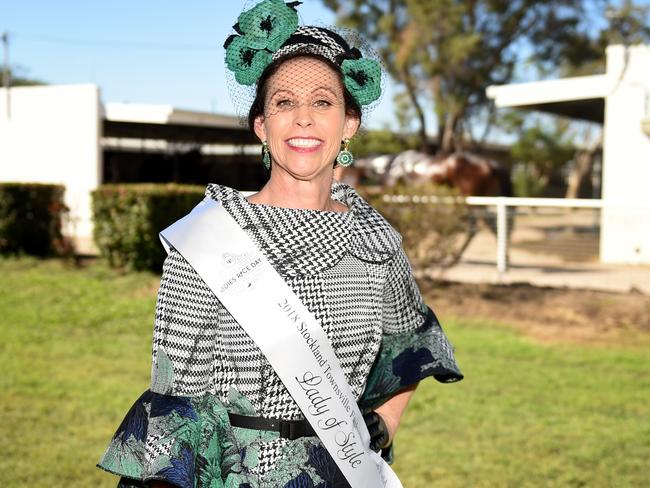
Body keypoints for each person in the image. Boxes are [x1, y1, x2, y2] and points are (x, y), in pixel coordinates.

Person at [96, 1, 463, 487]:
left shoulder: (375, 240)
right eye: (284, 103)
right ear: (262, 127)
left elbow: (413, 346)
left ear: (349, 124)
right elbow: (177, 405)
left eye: (323, 102)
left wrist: (385, 422)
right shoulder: (208, 237)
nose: (304, 118)